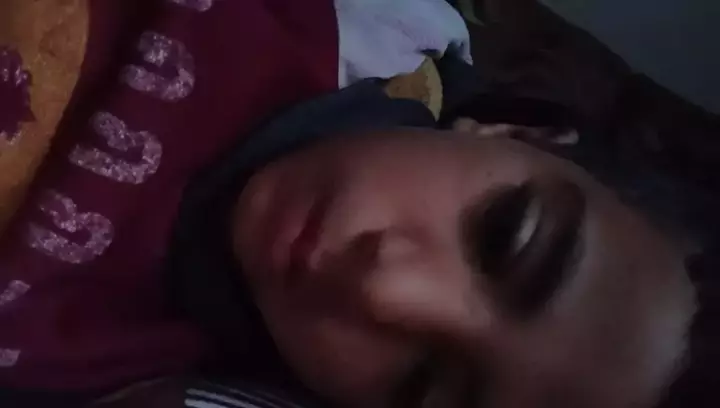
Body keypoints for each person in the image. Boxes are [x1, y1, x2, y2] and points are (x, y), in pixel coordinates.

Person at [2, 1, 718, 408]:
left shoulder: (92, 371)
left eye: (422, 389)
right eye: (505, 234)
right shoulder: (348, 20)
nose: (385, 286)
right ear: (518, 131)